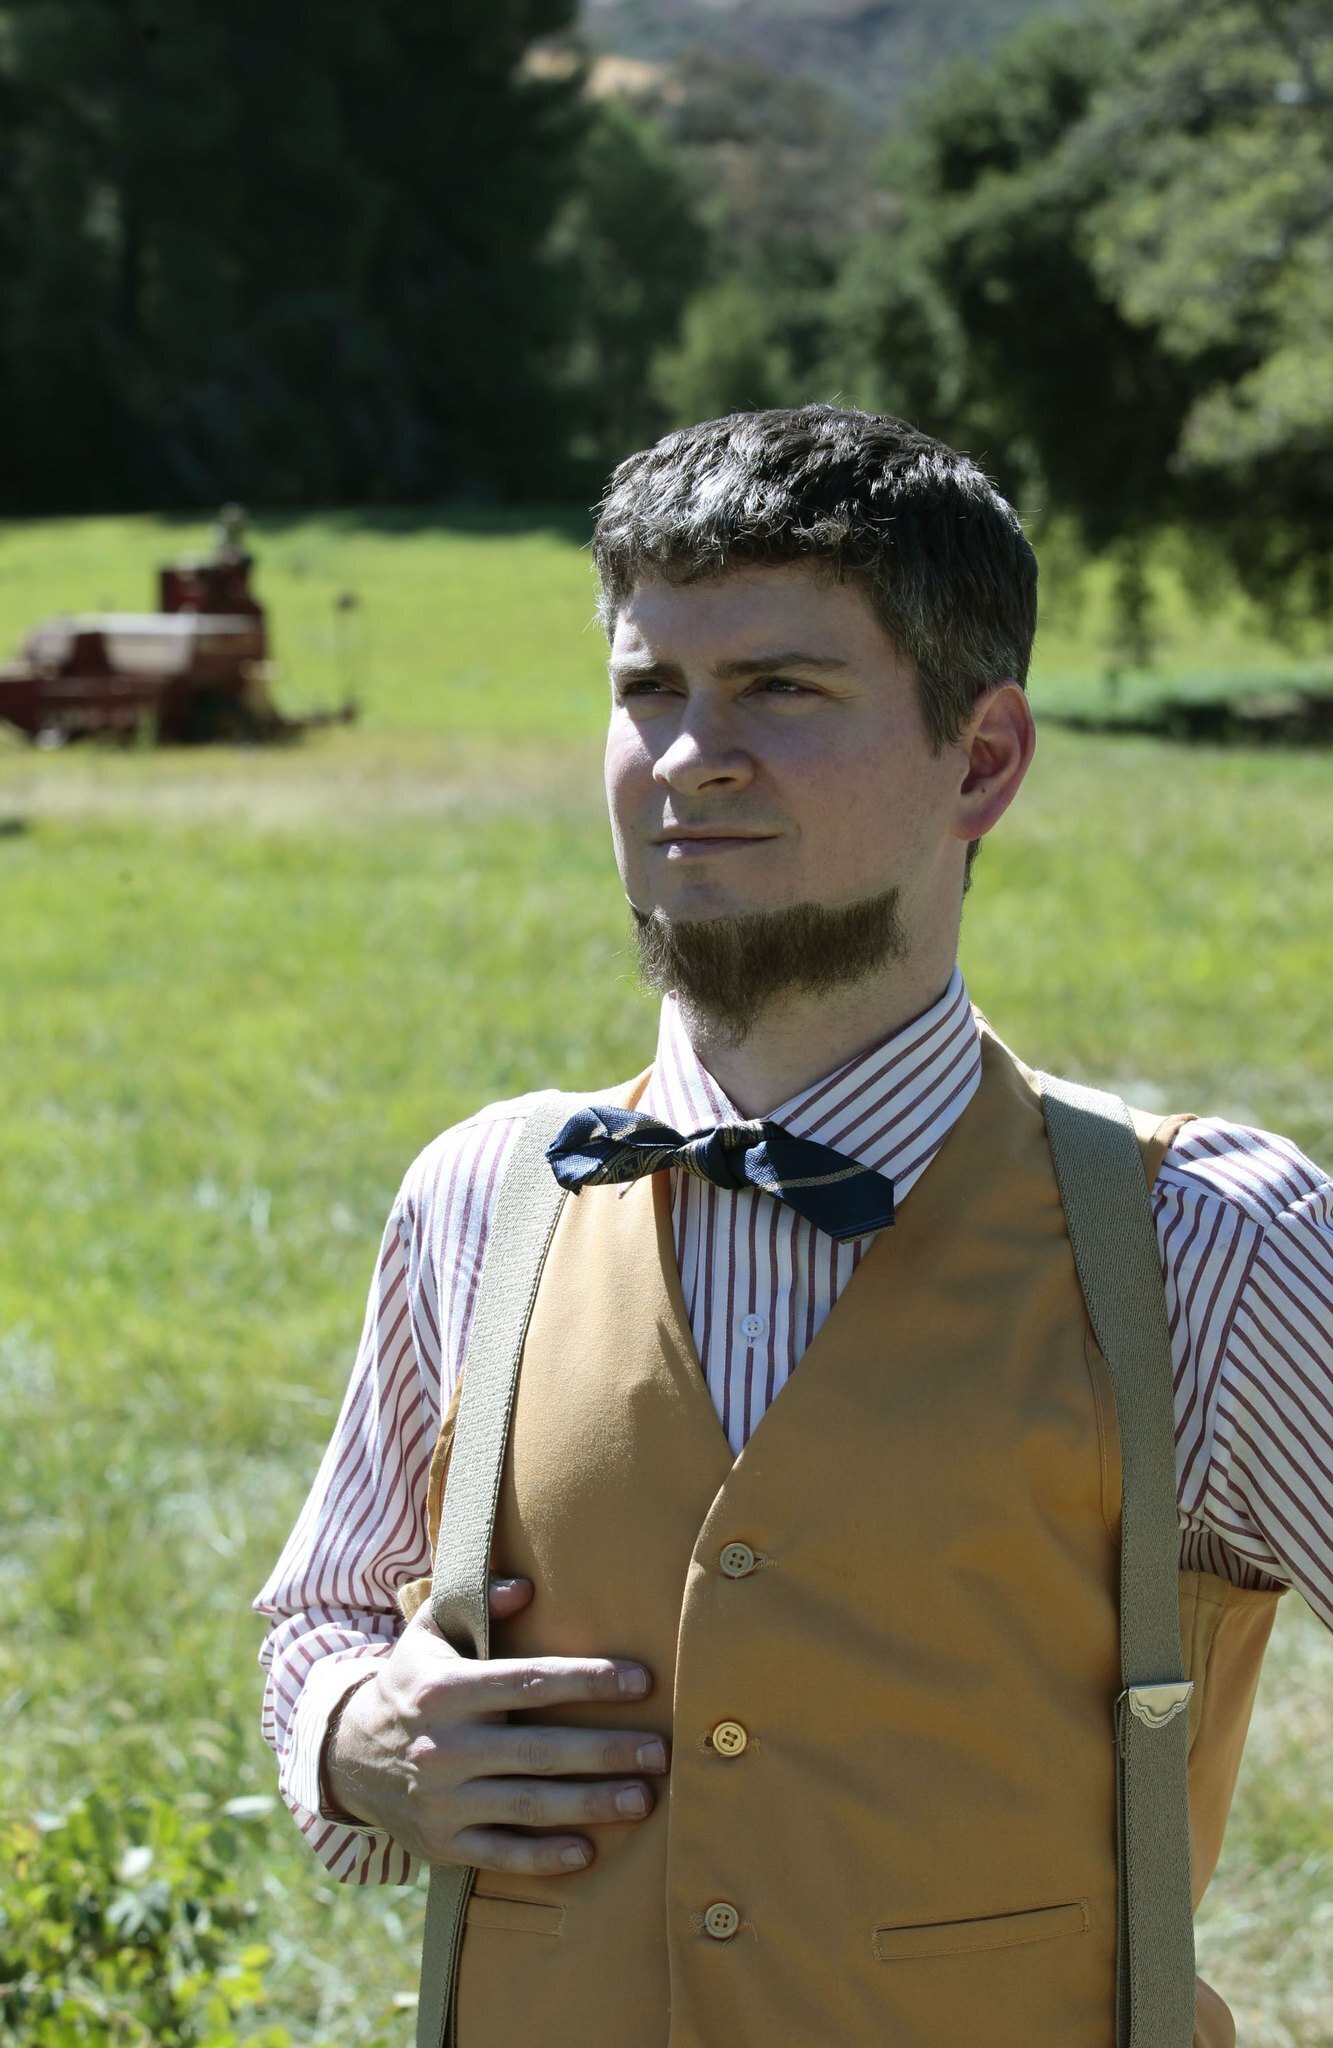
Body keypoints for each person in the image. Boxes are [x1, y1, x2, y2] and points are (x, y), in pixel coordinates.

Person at [255, 407, 1332, 2047]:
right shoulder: (480, 1196)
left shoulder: (1202, 1245)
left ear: (979, 761)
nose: (689, 756)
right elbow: (327, 1611)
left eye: (778, 688)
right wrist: (350, 1733)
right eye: (648, 690)